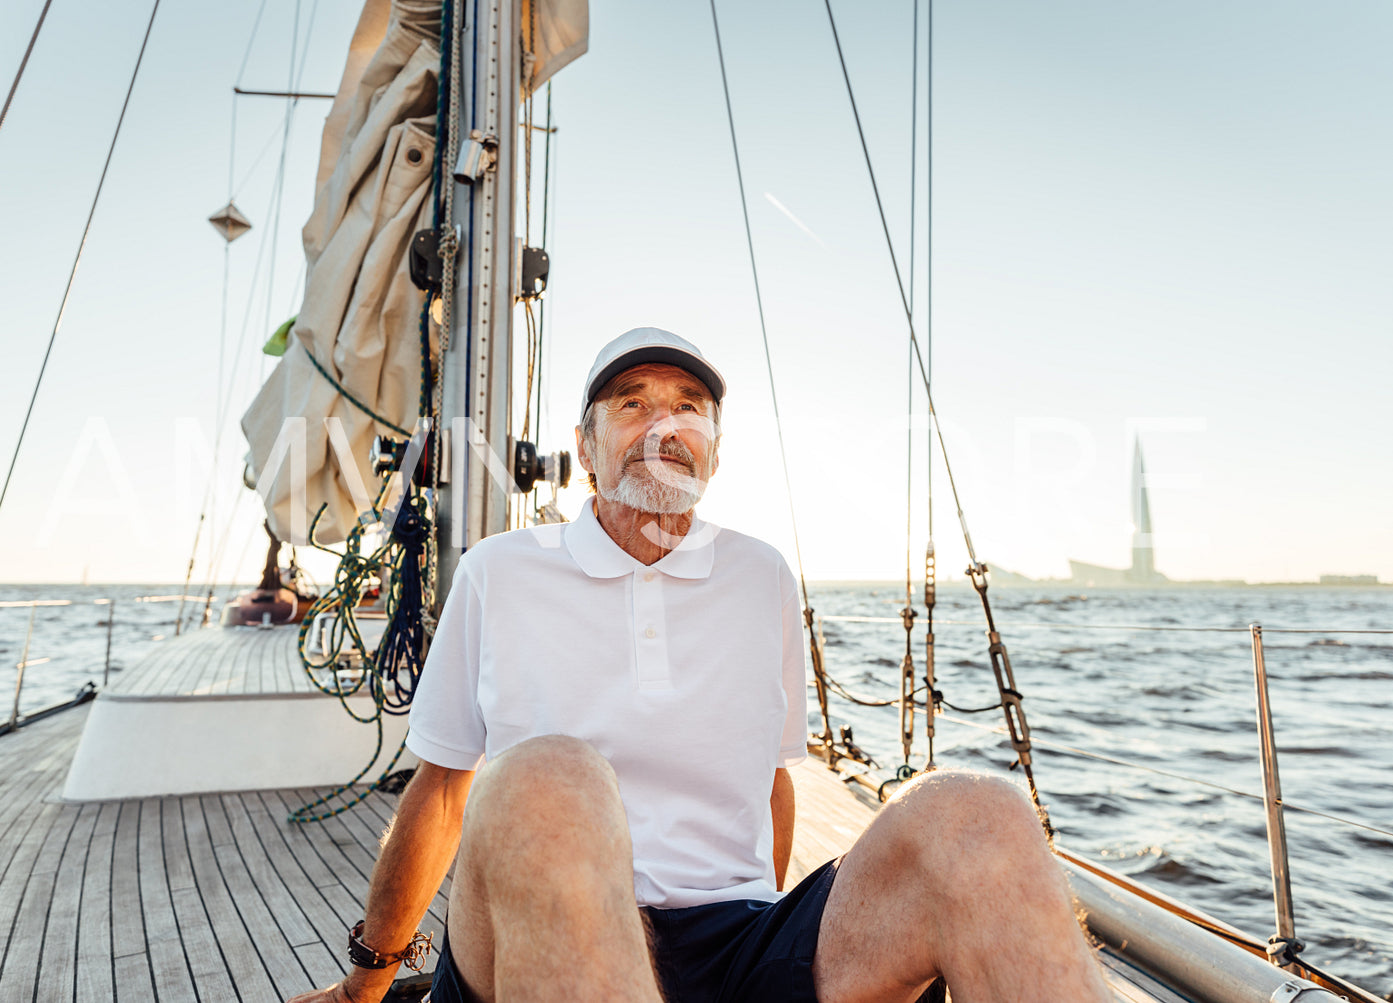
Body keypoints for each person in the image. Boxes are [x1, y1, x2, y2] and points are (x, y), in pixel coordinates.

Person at [289, 328, 1110, 1003]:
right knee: (549, 777)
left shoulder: (760, 576)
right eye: (632, 404)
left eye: (688, 408)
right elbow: (439, 794)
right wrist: (367, 986)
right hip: (535, 932)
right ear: (584, 445)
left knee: (973, 810)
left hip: (735, 945)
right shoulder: (499, 571)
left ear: (712, 449)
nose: (663, 425)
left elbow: (771, 786)